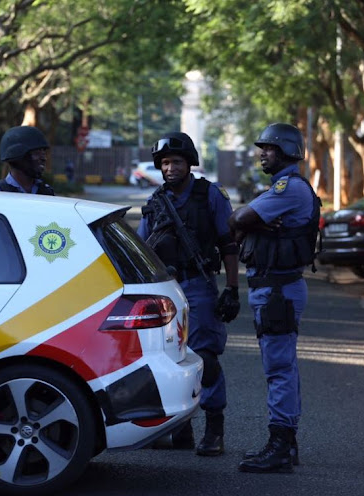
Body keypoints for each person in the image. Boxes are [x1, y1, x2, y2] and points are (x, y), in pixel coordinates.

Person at [137, 131, 240, 457]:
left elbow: (228, 244)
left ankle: (214, 430)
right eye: (165, 162)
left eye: (176, 162)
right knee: (166, 358)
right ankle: (179, 430)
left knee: (205, 357)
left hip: (199, 284)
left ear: (189, 163)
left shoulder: (209, 195)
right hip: (165, 289)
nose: (170, 168)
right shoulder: (156, 202)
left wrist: (233, 289)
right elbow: (142, 250)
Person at [228, 123, 321, 473]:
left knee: (279, 369)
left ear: (283, 151)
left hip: (278, 290)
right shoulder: (282, 189)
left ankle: (280, 447)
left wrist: (249, 221)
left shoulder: (288, 188)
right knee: (282, 367)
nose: (261, 153)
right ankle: (286, 444)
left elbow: (235, 218)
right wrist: (252, 223)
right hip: (275, 289)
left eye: (267, 148)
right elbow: (239, 224)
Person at [0, 125, 54, 195]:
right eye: (37, 153)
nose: (43, 158)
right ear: (17, 157)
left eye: (44, 153)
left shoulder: (47, 192)